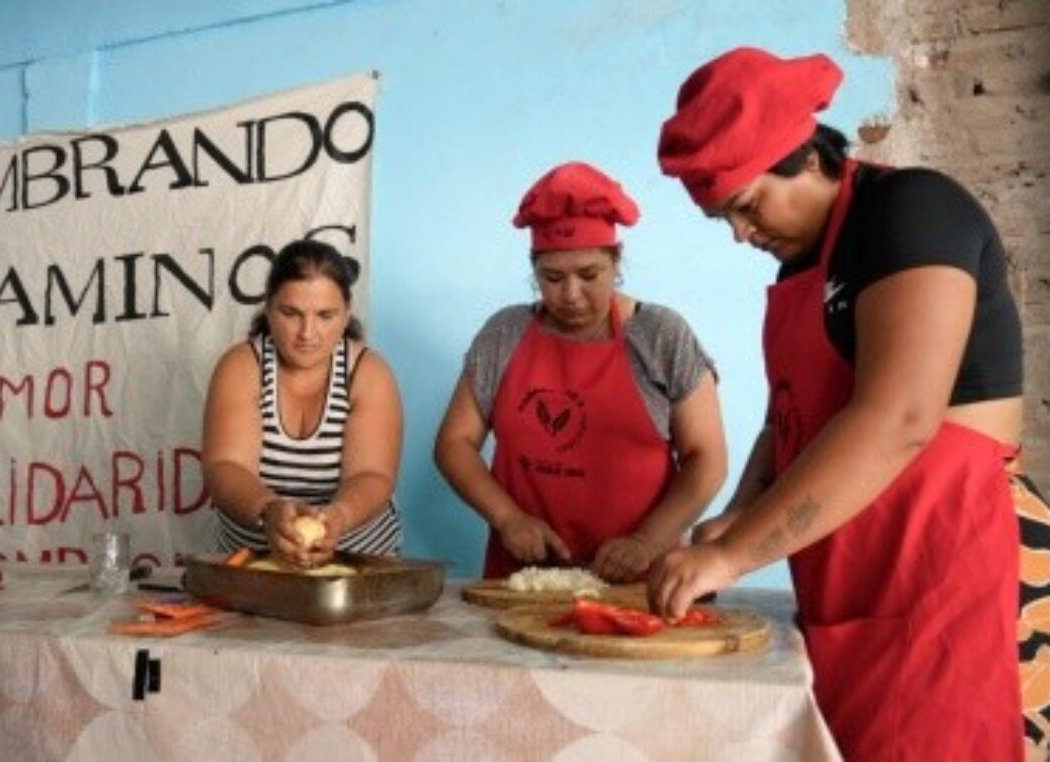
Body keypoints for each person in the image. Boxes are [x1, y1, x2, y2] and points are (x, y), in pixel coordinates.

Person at [649, 46, 1048, 759]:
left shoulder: (912, 211)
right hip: (852, 583)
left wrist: (737, 555)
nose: (742, 234)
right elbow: (791, 416)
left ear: (805, 158)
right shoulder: (801, 263)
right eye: (724, 221)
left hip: (949, 569)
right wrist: (737, 516)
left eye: (744, 206)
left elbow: (900, 418)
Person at [434, 161, 727, 583]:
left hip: (639, 583)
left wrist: (646, 542)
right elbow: (454, 443)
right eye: (552, 277)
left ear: (616, 260)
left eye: (589, 275)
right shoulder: (505, 333)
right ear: (533, 270)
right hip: (523, 582)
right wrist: (508, 519)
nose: (571, 295)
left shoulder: (660, 335)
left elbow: (707, 460)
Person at [202, 239, 403, 567]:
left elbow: (372, 474)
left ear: (346, 314)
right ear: (268, 308)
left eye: (325, 315)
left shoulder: (369, 373)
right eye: (291, 313)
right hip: (252, 564)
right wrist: (268, 511)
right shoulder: (241, 367)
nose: (307, 333)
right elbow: (226, 467)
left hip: (357, 563)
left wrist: (338, 516)